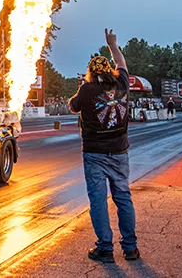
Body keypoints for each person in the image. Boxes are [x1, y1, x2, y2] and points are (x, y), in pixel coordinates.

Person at [69, 29, 139, 263]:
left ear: (90, 73)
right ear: (109, 70)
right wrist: (112, 44)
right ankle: (130, 248)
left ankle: (105, 248)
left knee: (99, 201)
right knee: (123, 197)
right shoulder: (121, 84)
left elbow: (73, 106)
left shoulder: (87, 89)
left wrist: (83, 85)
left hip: (94, 154)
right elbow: (122, 62)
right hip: (119, 152)